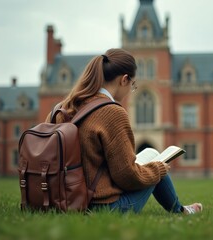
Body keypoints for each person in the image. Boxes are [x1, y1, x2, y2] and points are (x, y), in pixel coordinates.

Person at [47, 48, 202, 214]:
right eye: (133, 85)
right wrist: (158, 170)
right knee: (156, 162)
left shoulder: (62, 107)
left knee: (150, 152)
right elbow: (127, 177)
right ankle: (180, 211)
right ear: (124, 79)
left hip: (63, 199)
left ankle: (180, 208)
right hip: (102, 207)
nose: (131, 90)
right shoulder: (112, 111)